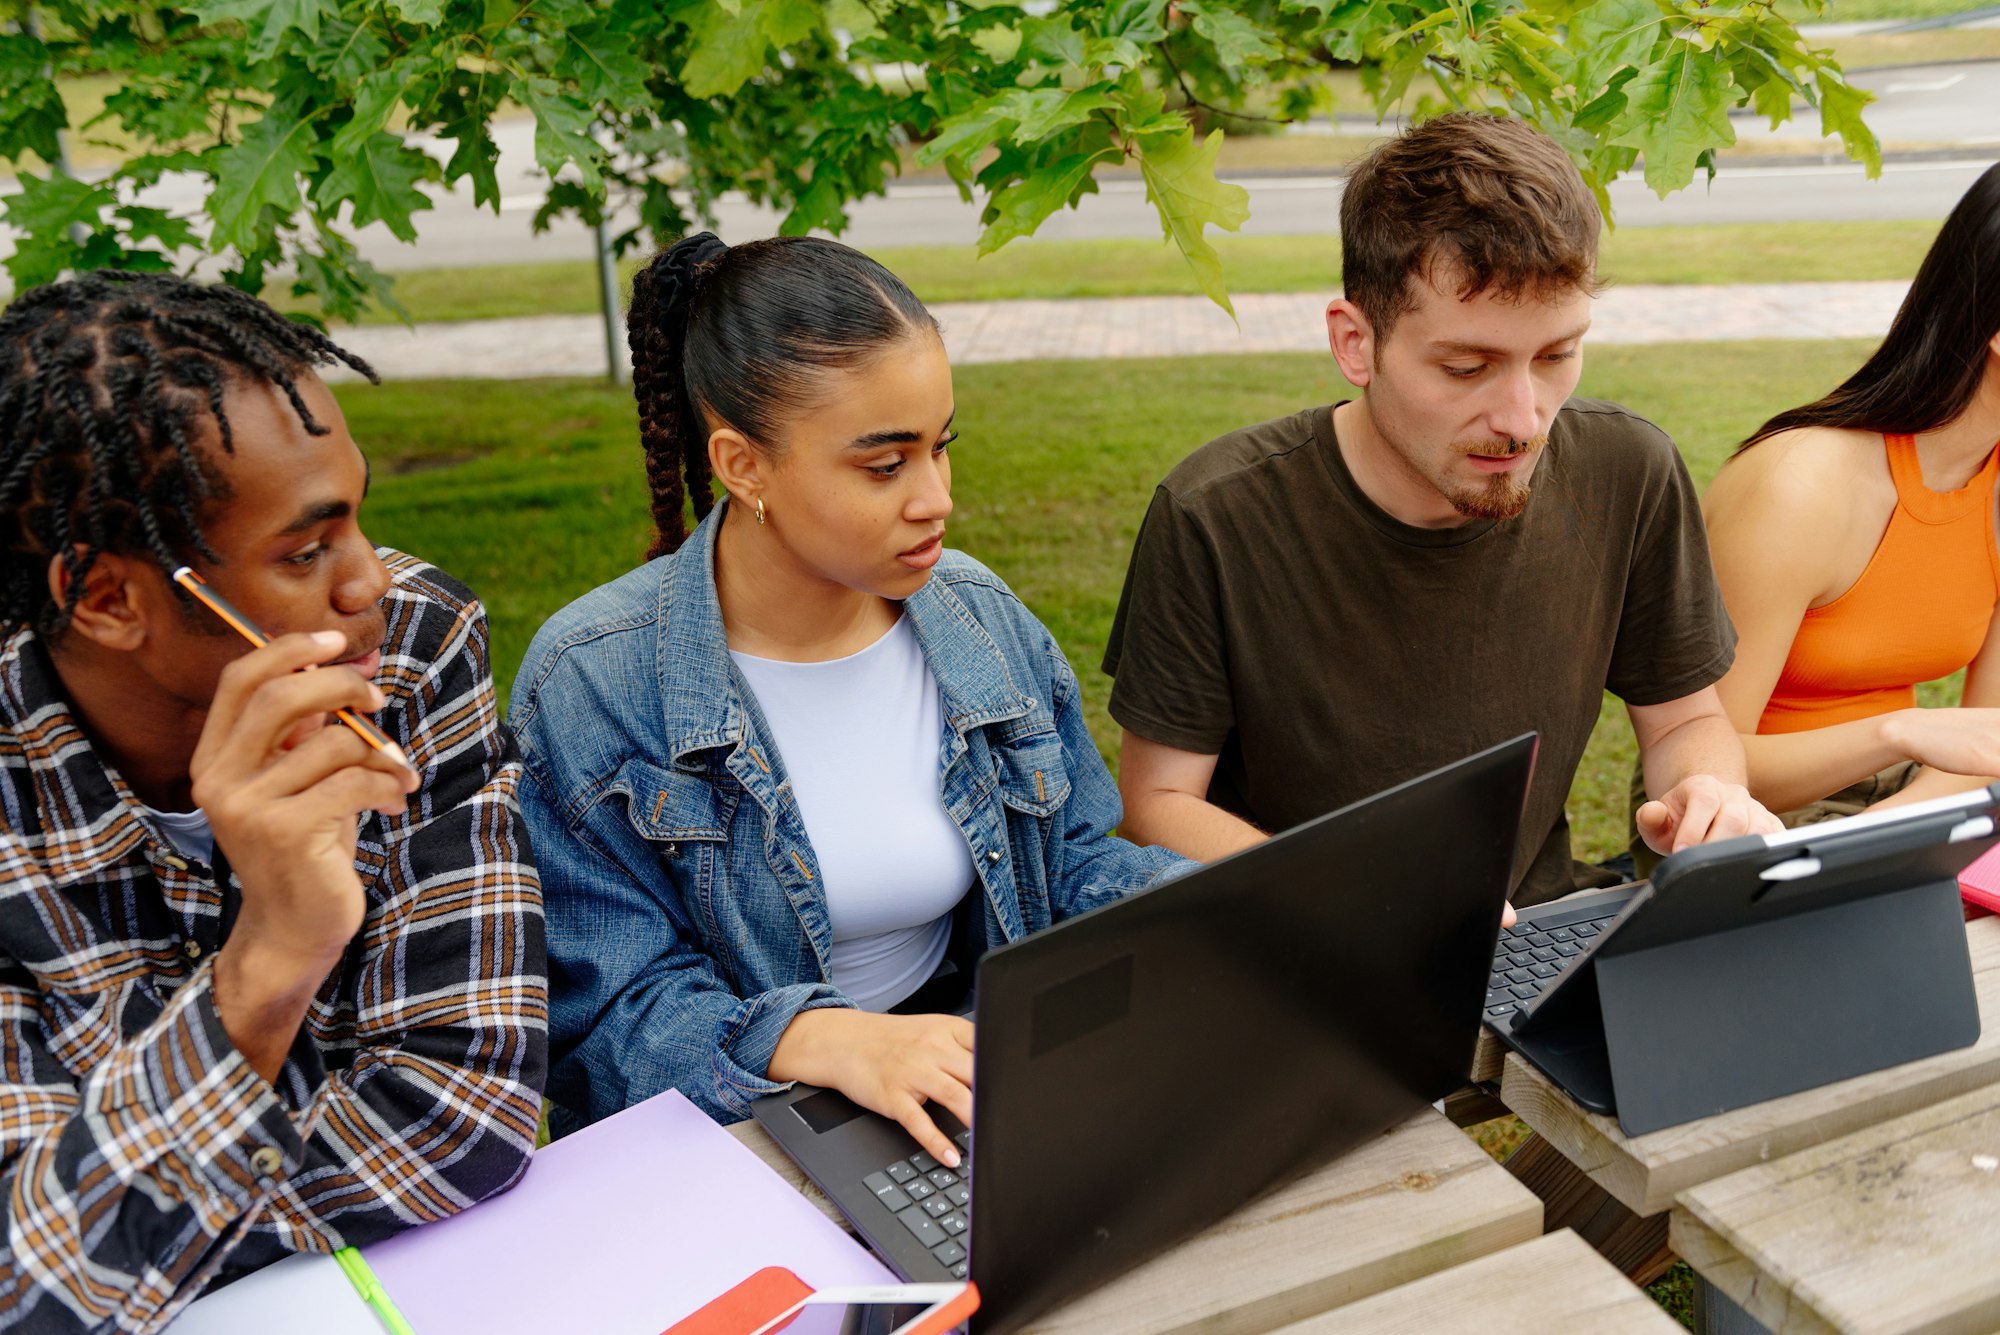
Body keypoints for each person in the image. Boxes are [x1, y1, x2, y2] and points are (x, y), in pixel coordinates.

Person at [512, 233, 1186, 1166]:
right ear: (743, 466)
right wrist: (836, 1042)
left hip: (971, 1080)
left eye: (942, 448)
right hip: (740, 1133)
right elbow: (608, 1020)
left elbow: (1069, 863)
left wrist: (1220, 917)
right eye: (886, 465)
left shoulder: (976, 615)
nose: (936, 498)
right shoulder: (592, 680)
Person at [0, 273, 547, 1332]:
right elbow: (27, 1291)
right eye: (307, 550)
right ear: (110, 598)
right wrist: (270, 963)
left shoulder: (412, 652)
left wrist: (122, 1211)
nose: (368, 583)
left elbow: (467, 1115)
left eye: (360, 519)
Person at [1102, 112, 1779, 910]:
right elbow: (1156, 805)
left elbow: (1680, 724)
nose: (1524, 418)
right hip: (1306, 947)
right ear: (1356, 344)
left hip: (1533, 933)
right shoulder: (1215, 513)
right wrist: (1368, 901)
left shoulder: (1627, 470)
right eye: (1467, 366)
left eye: (1557, 355)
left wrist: (1708, 792)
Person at [1683, 160, 2000, 839]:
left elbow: (1986, 745)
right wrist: (1902, 732)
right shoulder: (1797, 487)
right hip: (1747, 818)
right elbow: (1701, 766)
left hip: (1906, 802)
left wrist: (1893, 844)